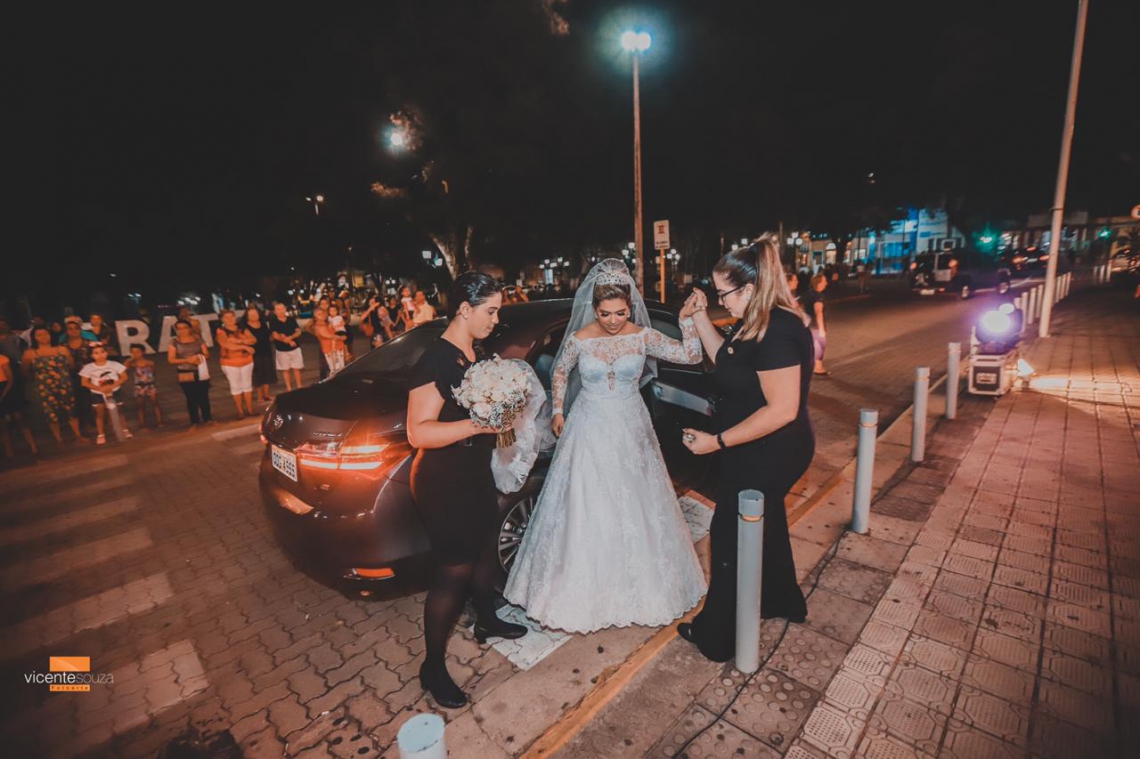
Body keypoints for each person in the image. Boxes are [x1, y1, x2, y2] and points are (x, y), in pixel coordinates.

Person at [504, 259, 707, 633]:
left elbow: (691, 355)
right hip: (589, 425)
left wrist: (687, 321)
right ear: (594, 308)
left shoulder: (643, 337)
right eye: (605, 313)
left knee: (636, 499)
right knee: (586, 499)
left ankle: (641, 587)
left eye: (620, 313)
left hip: (631, 426)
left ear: (630, 306)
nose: (613, 320)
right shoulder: (580, 339)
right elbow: (560, 370)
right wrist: (559, 409)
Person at [678, 233, 814, 662]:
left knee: (729, 535)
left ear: (750, 288)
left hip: (771, 450)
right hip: (757, 447)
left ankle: (717, 637)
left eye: (724, 294)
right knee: (766, 524)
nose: (722, 301)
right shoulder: (754, 321)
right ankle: (780, 599)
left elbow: (782, 410)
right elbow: (727, 359)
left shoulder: (778, 330)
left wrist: (716, 442)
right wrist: (700, 317)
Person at [406, 271, 527, 709]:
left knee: (485, 547)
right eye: (490, 311)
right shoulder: (434, 360)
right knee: (453, 570)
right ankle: (432, 667)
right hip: (443, 480)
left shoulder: (473, 353)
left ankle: (487, 619)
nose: (495, 320)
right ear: (463, 309)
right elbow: (418, 432)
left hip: (473, 471)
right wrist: (479, 425)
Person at [22, 326, 88, 445]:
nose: (43, 337)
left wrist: (62, 376)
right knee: (51, 412)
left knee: (71, 409)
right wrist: (39, 379)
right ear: (34, 337)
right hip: (45, 387)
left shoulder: (62, 349)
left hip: (64, 384)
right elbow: (25, 371)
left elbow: (71, 365)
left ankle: (78, 435)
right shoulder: (30, 353)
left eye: (45, 333)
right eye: (39, 335)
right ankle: (58, 439)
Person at [80, 343, 133, 445]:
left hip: (115, 391)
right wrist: (100, 388)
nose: (100, 355)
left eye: (102, 352)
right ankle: (101, 434)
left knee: (119, 411)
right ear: (91, 356)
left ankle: (125, 430)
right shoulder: (88, 368)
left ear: (106, 353)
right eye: (96, 353)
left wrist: (112, 386)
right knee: (100, 414)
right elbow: (84, 382)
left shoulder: (114, 364)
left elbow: (124, 377)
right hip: (98, 394)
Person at [0, 318, 38, 457]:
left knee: (19, 417)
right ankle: (9, 453)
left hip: (8, 386)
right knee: (2, 425)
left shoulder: (5, 354)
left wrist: (4, 393)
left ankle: (33, 448)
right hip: (6, 386)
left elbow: (10, 378)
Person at [168, 318, 213, 429]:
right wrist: (187, 360)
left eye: (185, 328)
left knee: (203, 396)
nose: (182, 330)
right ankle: (194, 421)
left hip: (200, 370)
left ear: (189, 328)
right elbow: (171, 359)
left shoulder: (198, 339)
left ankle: (208, 419)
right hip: (185, 371)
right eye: (179, 328)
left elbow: (207, 354)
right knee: (191, 397)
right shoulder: (174, 342)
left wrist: (198, 357)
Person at [216, 309, 257, 418]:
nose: (229, 319)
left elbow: (253, 339)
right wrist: (244, 345)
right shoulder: (221, 331)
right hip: (230, 363)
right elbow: (226, 344)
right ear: (222, 319)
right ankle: (240, 411)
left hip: (246, 360)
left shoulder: (242, 328)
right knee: (235, 386)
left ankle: (250, 410)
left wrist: (237, 341)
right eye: (226, 317)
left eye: (231, 316)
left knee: (247, 385)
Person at [59, 318, 96, 434]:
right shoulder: (62, 346)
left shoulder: (89, 343)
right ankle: (83, 424)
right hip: (72, 377)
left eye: (76, 328)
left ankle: (94, 422)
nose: (73, 331)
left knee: (90, 400)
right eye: (70, 329)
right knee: (78, 401)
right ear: (66, 331)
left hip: (90, 375)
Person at [243, 305, 276, 403]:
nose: (254, 316)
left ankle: (267, 394)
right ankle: (259, 396)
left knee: (267, 373)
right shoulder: (245, 326)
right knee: (258, 375)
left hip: (266, 351)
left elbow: (269, 335)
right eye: (251, 314)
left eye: (255, 313)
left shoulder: (263, 323)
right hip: (255, 354)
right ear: (247, 316)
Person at [268, 302, 304, 391]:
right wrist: (287, 340)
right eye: (278, 309)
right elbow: (275, 335)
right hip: (281, 350)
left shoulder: (291, 319)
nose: (280, 311)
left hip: (295, 348)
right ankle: (289, 388)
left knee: (297, 368)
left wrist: (290, 338)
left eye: (282, 308)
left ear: (285, 309)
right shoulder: (273, 322)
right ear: (274, 312)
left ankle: (299, 387)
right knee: (285, 370)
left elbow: (298, 331)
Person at [125, 345, 162, 429]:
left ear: (143, 352)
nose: (135, 354)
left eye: (138, 351)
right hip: (139, 387)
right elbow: (123, 368)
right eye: (133, 352)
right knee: (140, 406)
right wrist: (130, 359)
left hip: (150, 385)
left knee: (155, 404)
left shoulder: (150, 362)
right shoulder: (132, 364)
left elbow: (153, 373)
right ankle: (142, 425)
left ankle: (160, 422)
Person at [803, 273, 830, 377]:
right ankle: (817, 368)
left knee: (812, 346)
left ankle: (817, 367)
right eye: (824, 281)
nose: (826, 283)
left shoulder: (808, 293)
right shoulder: (818, 296)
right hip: (816, 326)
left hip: (808, 325)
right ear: (819, 283)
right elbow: (818, 312)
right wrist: (822, 329)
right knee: (820, 346)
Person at [313, 307, 347, 377]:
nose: (322, 315)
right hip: (329, 350)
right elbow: (327, 335)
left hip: (338, 347)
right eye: (319, 314)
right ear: (315, 316)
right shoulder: (319, 326)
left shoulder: (328, 322)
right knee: (334, 370)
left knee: (341, 368)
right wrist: (341, 338)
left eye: (323, 313)